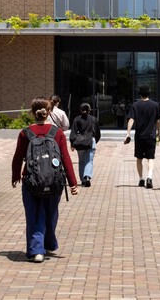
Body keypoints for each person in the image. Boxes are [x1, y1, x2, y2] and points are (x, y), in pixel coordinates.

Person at [11, 96, 78, 263]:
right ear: (49, 112)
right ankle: (48, 243)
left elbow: (18, 157)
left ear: (33, 113)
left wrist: (15, 175)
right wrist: (73, 183)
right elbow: (65, 158)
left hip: (31, 181)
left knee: (34, 215)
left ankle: (36, 250)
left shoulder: (25, 133)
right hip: (54, 181)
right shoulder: (58, 133)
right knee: (51, 214)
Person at [124, 84, 160, 188]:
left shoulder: (135, 105)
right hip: (151, 136)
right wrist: (158, 133)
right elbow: (158, 121)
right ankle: (149, 177)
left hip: (139, 136)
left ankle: (141, 179)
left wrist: (128, 133)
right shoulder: (155, 105)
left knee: (139, 158)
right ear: (149, 93)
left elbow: (131, 119)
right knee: (150, 158)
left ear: (139, 93)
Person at [69, 102, 101, 186]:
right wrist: (95, 140)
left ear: (80, 110)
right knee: (89, 161)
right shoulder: (93, 119)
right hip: (91, 141)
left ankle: (83, 179)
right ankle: (87, 176)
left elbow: (73, 132)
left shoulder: (77, 119)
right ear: (89, 110)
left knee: (81, 161)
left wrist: (72, 143)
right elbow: (98, 133)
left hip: (80, 143)